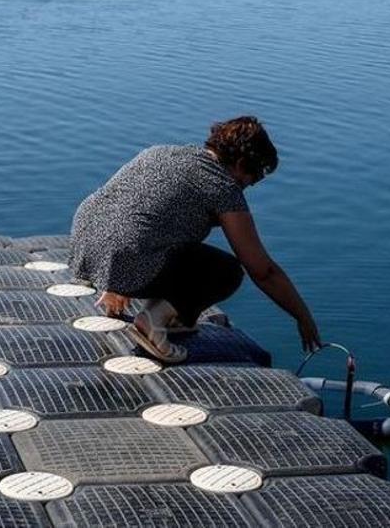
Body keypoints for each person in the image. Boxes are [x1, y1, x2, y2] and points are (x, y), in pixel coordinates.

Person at [68, 116, 322, 363]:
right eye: (252, 179)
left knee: (173, 241)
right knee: (226, 271)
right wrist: (302, 316)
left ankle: (163, 311)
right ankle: (153, 321)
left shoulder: (162, 152)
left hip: (85, 245)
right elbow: (262, 270)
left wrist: (116, 278)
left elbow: (133, 212)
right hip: (125, 252)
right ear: (242, 163)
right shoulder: (222, 186)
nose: (248, 187)